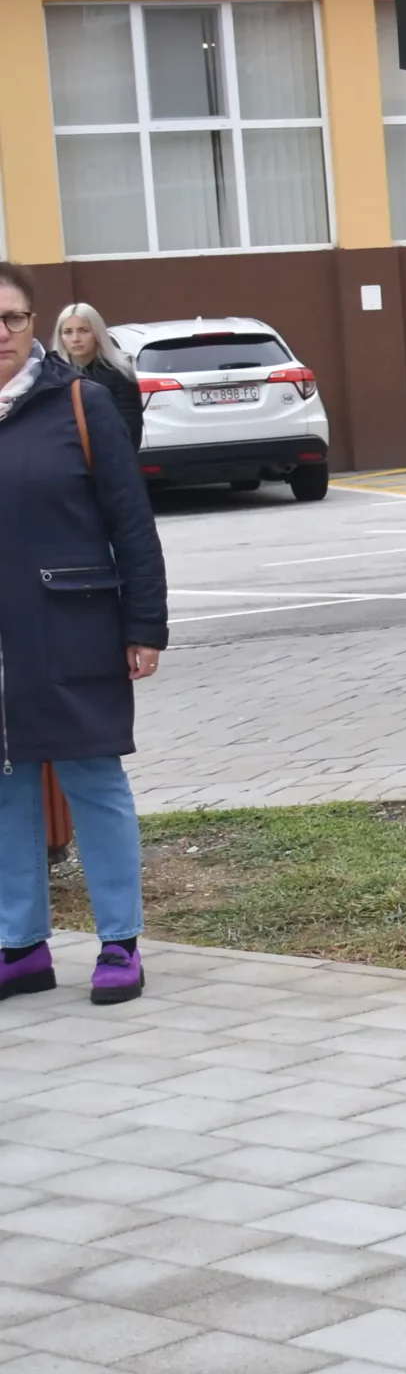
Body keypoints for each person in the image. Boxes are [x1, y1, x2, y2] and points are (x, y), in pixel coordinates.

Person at [0, 261, 168, 1005]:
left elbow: (131, 522)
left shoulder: (79, 403)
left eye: (10, 318)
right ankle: (20, 946)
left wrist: (145, 625)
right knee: (5, 788)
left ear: (32, 323)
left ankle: (120, 943)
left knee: (93, 781)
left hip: (71, 625)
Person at [52, 303, 144, 447]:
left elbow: (131, 431)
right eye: (68, 332)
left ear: (97, 333)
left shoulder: (119, 372)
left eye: (83, 330)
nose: (75, 339)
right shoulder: (53, 375)